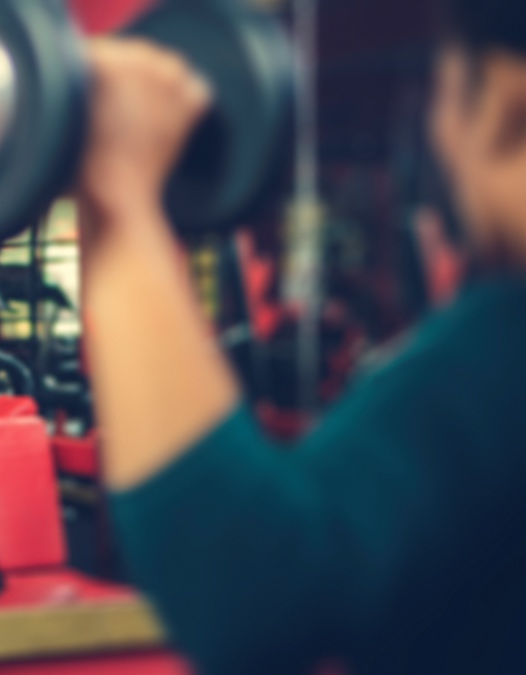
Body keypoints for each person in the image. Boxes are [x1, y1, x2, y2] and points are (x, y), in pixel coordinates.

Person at [79, 0, 526, 672]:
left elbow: (247, 593)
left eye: (439, 89)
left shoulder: (503, 347)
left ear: (498, 103)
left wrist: (116, 196)